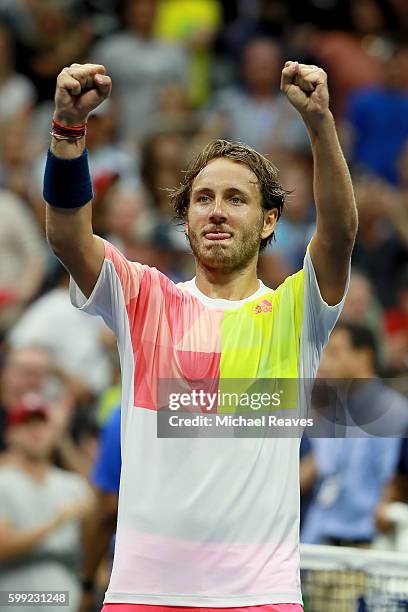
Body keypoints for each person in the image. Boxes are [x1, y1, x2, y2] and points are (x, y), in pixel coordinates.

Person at [43, 60, 357, 610]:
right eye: (204, 199)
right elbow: (69, 236)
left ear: (268, 222)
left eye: (237, 199)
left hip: (262, 596)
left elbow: (340, 232)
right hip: (144, 593)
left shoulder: (297, 311)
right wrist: (68, 130)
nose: (217, 212)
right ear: (184, 220)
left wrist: (319, 123)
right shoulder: (142, 296)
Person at [0, 393, 94, 612]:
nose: (36, 432)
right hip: (15, 594)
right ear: (11, 433)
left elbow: (95, 539)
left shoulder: (72, 484)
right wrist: (56, 522)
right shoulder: (4, 481)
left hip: (67, 591)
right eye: (27, 424)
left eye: (42, 425)